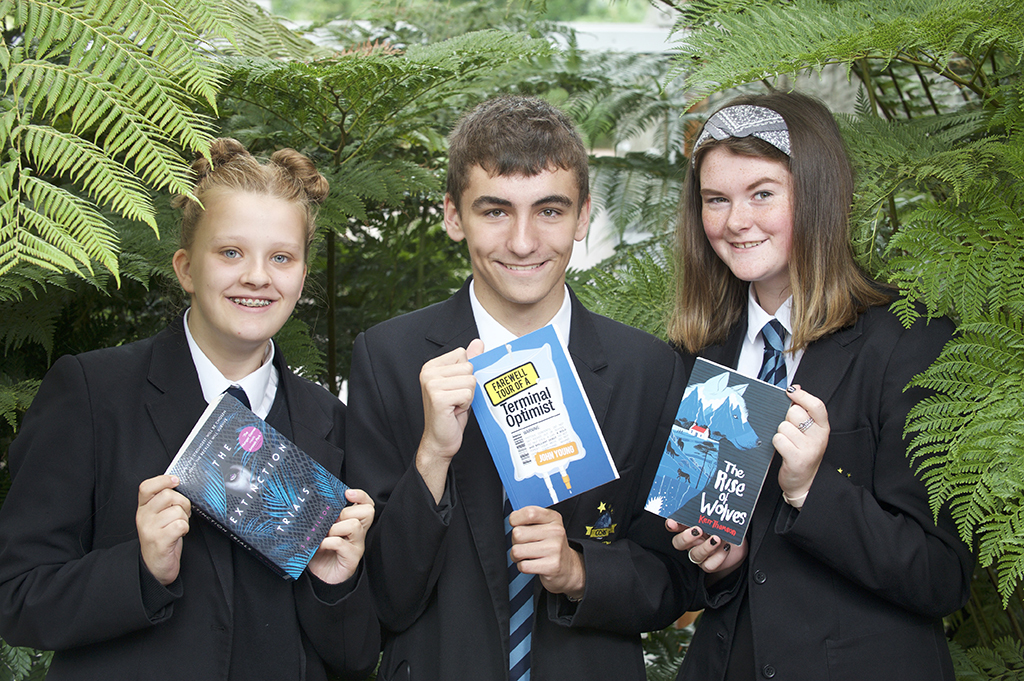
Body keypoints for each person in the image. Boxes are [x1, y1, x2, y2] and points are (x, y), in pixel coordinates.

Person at [345, 95, 696, 681]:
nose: (524, 242)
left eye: (550, 211)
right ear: (454, 217)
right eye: (496, 211)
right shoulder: (389, 359)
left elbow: (678, 577)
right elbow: (377, 597)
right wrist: (432, 457)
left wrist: (580, 572)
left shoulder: (649, 370)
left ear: (584, 216)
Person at [0, 139, 380, 680]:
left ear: (300, 275)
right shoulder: (92, 393)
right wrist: (141, 569)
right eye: (230, 253)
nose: (256, 276)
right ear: (185, 267)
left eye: (281, 257)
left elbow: (357, 656)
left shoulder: (329, 423)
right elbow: (15, 598)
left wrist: (335, 583)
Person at [666, 91, 975, 680]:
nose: (736, 222)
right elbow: (684, 572)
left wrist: (811, 489)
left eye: (762, 194)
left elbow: (943, 576)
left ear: (818, 195)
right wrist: (718, 563)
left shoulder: (911, 342)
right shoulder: (699, 356)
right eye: (716, 200)